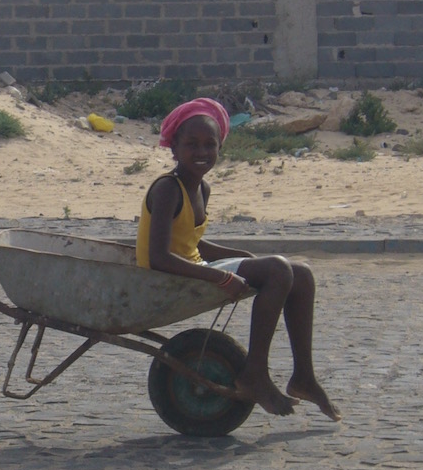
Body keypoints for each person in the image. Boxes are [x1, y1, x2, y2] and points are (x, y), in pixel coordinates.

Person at [136, 98, 341, 421]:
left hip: (191, 269)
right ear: (174, 148)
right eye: (191, 144)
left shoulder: (201, 188)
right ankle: (254, 373)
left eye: (210, 144)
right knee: (277, 269)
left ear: (221, 147)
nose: (202, 152)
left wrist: (240, 257)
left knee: (300, 275)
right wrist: (219, 276)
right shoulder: (167, 189)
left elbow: (190, 240)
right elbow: (159, 257)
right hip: (165, 278)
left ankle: (303, 376)